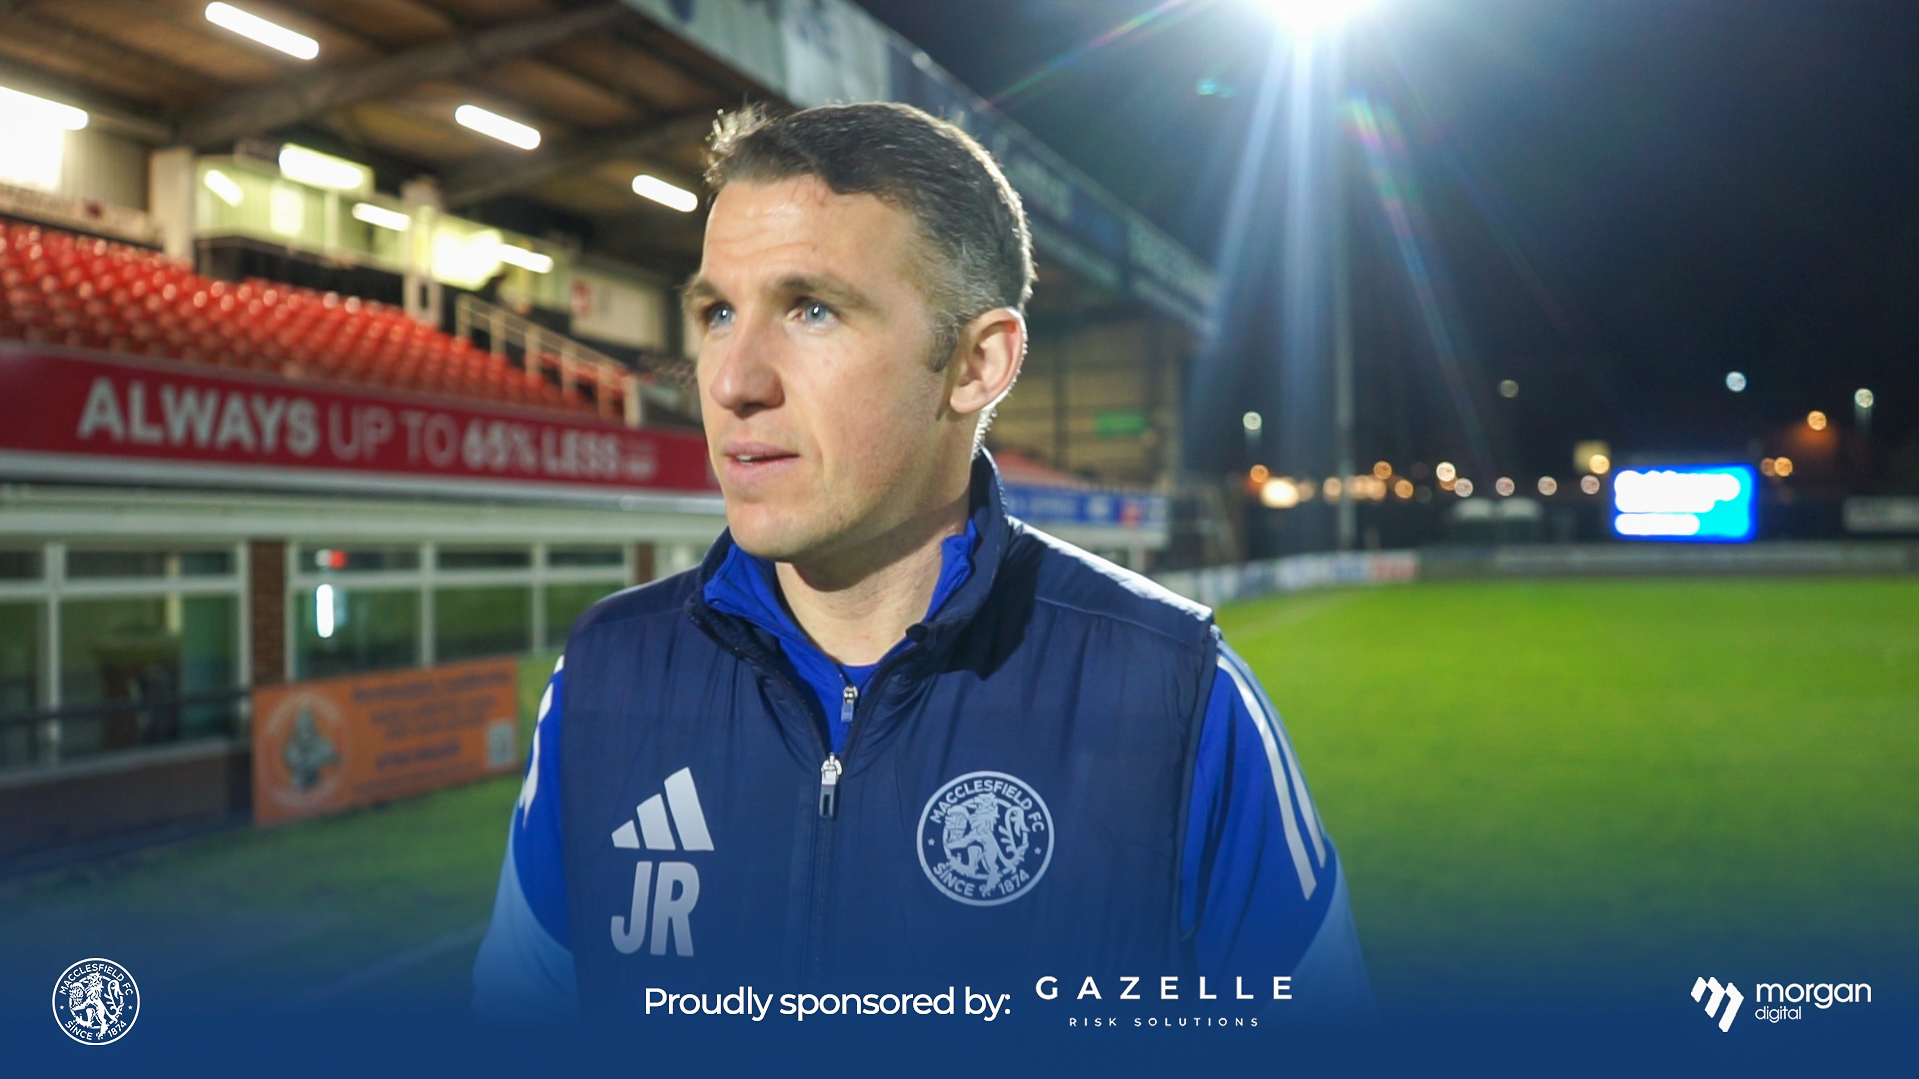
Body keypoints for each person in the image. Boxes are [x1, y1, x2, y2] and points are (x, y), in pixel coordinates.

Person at [473, 101, 1372, 1019]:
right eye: (717, 312)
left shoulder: (1176, 693)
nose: (733, 380)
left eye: (811, 309)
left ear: (978, 363)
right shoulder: (606, 673)